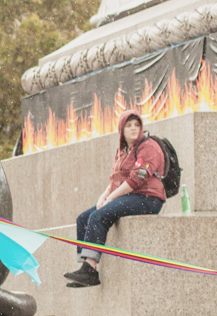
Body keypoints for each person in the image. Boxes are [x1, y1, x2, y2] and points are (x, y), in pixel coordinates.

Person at [65, 111, 166, 288]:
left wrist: (111, 198)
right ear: (121, 129)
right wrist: (103, 196)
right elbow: (116, 179)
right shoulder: (122, 151)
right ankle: (85, 270)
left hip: (148, 198)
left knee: (98, 216)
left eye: (137, 125)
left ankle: (90, 268)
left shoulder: (148, 147)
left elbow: (137, 179)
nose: (134, 128)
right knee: (83, 218)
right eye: (129, 125)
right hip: (129, 195)